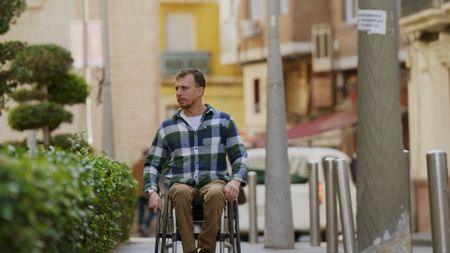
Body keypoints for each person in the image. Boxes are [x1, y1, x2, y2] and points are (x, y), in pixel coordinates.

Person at [143, 68, 248, 253]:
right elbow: (152, 163)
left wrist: (235, 180)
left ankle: (206, 250)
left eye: (184, 88)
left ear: (200, 90)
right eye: (176, 88)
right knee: (181, 192)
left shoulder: (223, 121)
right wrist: (151, 191)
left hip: (214, 181)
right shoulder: (167, 127)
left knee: (217, 192)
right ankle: (189, 250)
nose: (178, 93)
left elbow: (240, 156)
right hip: (180, 184)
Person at [131, 149, 154, 236]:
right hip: (149, 191)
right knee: (153, 210)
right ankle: (145, 225)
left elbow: (132, 178)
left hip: (139, 192)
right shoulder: (150, 165)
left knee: (141, 210)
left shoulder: (136, 164)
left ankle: (142, 226)